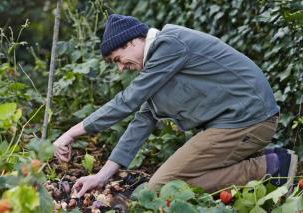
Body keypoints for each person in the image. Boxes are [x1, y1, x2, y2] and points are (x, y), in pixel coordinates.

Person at [53, 14, 298, 198]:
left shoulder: (169, 45)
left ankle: (272, 168)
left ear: (132, 42)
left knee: (161, 187)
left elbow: (126, 101)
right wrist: (101, 176)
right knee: (167, 182)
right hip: (239, 121)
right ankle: (271, 160)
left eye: (118, 59)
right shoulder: (158, 65)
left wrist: (71, 133)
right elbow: (142, 120)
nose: (121, 67)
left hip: (248, 120)